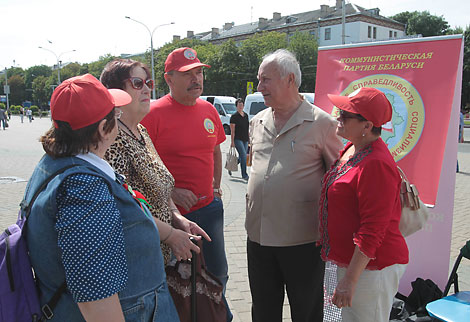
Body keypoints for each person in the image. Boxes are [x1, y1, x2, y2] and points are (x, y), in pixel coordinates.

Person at [25, 74, 180, 321]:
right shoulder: (84, 190)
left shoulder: (56, 163)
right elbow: (96, 299)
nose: (118, 123)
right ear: (103, 129)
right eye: (115, 116)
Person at [246, 49, 343, 322]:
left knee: (307, 311)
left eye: (266, 80)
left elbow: (341, 176)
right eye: (259, 80)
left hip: (302, 241)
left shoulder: (323, 123)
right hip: (259, 237)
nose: (260, 86)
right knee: (263, 310)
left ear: (290, 80)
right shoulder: (258, 121)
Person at [141, 47, 232, 321]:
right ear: (168, 79)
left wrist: (216, 187)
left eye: (199, 72)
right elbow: (142, 168)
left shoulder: (208, 110)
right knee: (174, 280)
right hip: (172, 217)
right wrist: (173, 191)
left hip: (208, 210)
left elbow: (215, 150)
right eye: (188, 74)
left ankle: (213, 314)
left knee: (217, 272)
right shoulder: (152, 114)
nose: (197, 79)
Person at [100, 58, 210, 265]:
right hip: (134, 258)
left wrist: (177, 217)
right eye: (138, 83)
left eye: (149, 83)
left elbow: (161, 185)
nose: (147, 89)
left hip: (156, 254)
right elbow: (123, 207)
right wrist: (170, 235)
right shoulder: (111, 137)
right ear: (115, 90)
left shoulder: (141, 131)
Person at [319, 87, 409, 322]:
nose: (338, 118)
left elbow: (372, 230)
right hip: (353, 264)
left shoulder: (376, 163)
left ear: (367, 126)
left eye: (346, 115)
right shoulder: (353, 148)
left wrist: (350, 280)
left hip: (371, 269)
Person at [229, 98, 249, 180]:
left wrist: (249, 138)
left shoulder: (246, 115)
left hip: (245, 138)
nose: (240, 107)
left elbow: (247, 128)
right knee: (243, 155)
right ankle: (244, 174)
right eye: (239, 105)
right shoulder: (234, 117)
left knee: (242, 156)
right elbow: (232, 131)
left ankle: (231, 166)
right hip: (237, 139)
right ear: (236, 106)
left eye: (242, 105)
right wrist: (232, 142)